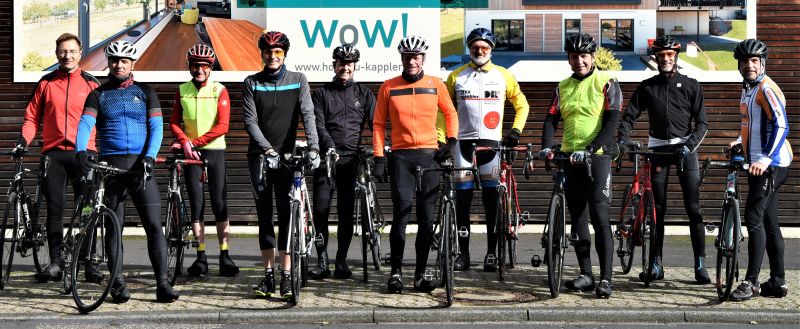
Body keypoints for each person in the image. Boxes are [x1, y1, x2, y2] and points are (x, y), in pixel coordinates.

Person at [75, 40, 179, 303]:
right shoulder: (98, 94)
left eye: (124, 61)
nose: (119, 65)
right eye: (114, 61)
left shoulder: (145, 92)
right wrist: (80, 150)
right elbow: (86, 124)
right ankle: (117, 283)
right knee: (114, 227)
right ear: (108, 63)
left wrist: (150, 157)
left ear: (133, 64)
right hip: (111, 168)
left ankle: (163, 285)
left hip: (141, 167)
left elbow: (157, 128)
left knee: (154, 226)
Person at [616, 35, 710, 285]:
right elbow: (628, 117)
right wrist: (623, 139)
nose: (666, 59)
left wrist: (689, 147)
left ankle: (700, 263)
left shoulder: (691, 85)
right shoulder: (648, 86)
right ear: (656, 58)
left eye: (670, 55)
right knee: (657, 211)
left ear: (675, 57)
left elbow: (702, 124)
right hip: (657, 150)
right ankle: (656, 263)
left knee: (694, 209)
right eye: (662, 55)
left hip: (684, 151)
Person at [438, 27, 529, 272]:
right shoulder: (456, 76)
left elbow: (522, 105)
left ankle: (491, 253)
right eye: (475, 47)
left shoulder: (503, 76)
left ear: (491, 50)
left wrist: (516, 131)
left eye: (485, 47)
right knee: (463, 202)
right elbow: (443, 110)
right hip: (463, 145)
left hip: (492, 144)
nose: (480, 51)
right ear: (469, 49)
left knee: (492, 202)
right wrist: (445, 140)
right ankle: (463, 255)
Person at [373, 35, 459, 294]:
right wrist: (379, 157)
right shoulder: (388, 86)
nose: (411, 61)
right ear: (401, 58)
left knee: (426, 219)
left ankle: (420, 275)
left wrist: (451, 141)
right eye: (407, 56)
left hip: (430, 157)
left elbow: (451, 113)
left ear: (423, 59)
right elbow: (378, 124)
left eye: (416, 56)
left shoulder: (436, 84)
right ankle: (396, 273)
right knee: (401, 217)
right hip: (401, 157)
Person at [540, 33, 620, 299]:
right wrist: (548, 146)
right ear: (569, 59)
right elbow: (551, 120)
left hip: (597, 155)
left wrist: (590, 148)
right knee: (578, 220)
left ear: (592, 57)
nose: (579, 61)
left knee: (600, 218)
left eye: (584, 56)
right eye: (574, 57)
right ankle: (586, 274)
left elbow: (612, 122)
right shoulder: (562, 86)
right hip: (570, 156)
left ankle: (606, 278)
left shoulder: (606, 81)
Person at [16, 33, 100, 283]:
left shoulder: (92, 84)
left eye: (72, 51)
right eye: (63, 51)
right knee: (55, 211)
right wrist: (24, 141)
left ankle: (88, 263)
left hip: (85, 154)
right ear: (56, 54)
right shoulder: (46, 83)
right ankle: (55, 263)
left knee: (87, 211)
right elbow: (31, 118)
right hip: (53, 156)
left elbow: (103, 119)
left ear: (80, 52)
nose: (68, 56)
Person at [243, 31, 320, 300]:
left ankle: (287, 276)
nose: (272, 56)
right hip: (261, 157)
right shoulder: (251, 82)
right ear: (262, 54)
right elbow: (250, 122)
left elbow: (308, 114)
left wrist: (314, 147)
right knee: (265, 216)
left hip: (288, 159)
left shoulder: (298, 80)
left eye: (278, 52)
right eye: (268, 51)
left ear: (285, 53)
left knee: (287, 216)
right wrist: (267, 149)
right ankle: (268, 276)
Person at [728, 39, 792, 301]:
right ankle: (777, 283)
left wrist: (765, 158)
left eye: (754, 61)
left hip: (771, 165)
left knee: (754, 219)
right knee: (770, 222)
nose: (749, 65)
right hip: (761, 162)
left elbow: (780, 126)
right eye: (745, 61)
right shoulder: (748, 89)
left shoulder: (766, 89)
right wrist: (739, 142)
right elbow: (752, 125)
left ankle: (751, 282)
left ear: (762, 63)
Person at [169, 44, 239, 277]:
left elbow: (223, 126)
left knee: (220, 204)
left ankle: (225, 255)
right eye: (195, 65)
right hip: (191, 155)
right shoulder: (182, 90)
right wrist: (183, 139)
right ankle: (201, 257)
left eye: (204, 66)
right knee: (197, 205)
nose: (199, 69)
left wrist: (193, 142)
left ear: (210, 68)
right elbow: (174, 122)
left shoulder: (220, 90)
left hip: (214, 151)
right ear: (189, 66)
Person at [309, 44, 376, 280]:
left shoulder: (364, 94)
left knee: (346, 213)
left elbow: (375, 123)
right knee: (321, 210)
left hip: (351, 161)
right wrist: (328, 145)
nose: (345, 67)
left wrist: (379, 148)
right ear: (334, 64)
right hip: (326, 159)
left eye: (349, 63)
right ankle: (322, 260)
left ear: (355, 66)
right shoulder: (322, 94)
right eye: (341, 62)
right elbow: (318, 125)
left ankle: (341, 261)